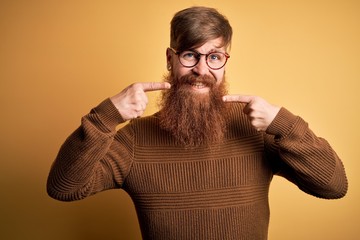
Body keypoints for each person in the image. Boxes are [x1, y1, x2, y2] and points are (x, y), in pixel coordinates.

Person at [47, 6, 348, 240]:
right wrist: (105, 117)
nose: (201, 69)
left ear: (226, 61)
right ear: (170, 59)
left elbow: (333, 186)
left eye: (214, 56)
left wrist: (285, 125)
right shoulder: (136, 139)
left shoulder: (256, 130)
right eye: (190, 55)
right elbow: (64, 188)